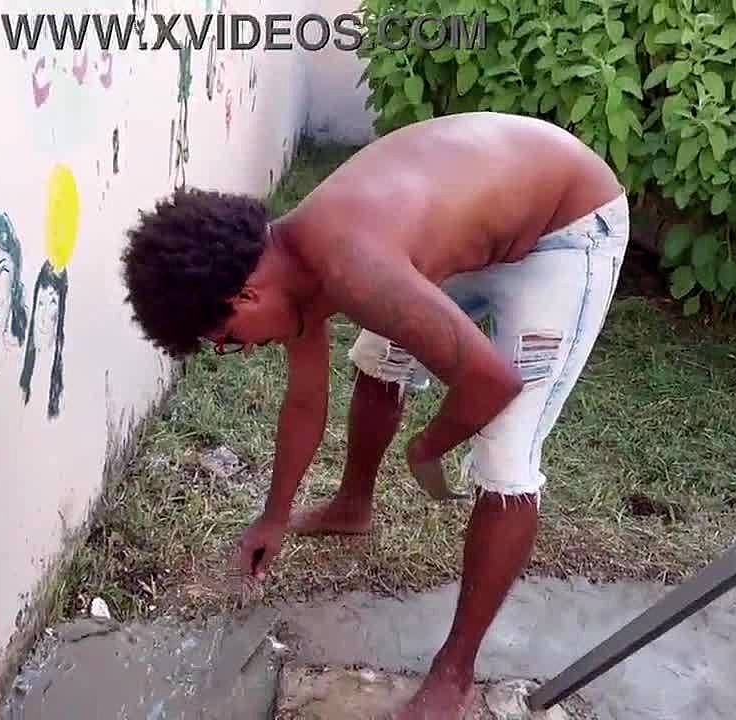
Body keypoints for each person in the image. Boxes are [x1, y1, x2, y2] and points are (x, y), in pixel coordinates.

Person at [120, 111, 629, 719]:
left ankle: (455, 670)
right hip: (494, 216)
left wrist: (427, 448)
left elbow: (492, 381)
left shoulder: (351, 264)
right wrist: (273, 516)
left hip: (566, 227)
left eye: (227, 338)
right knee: (379, 356)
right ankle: (352, 507)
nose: (240, 349)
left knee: (506, 454)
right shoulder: (290, 263)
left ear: (247, 293)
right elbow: (304, 401)